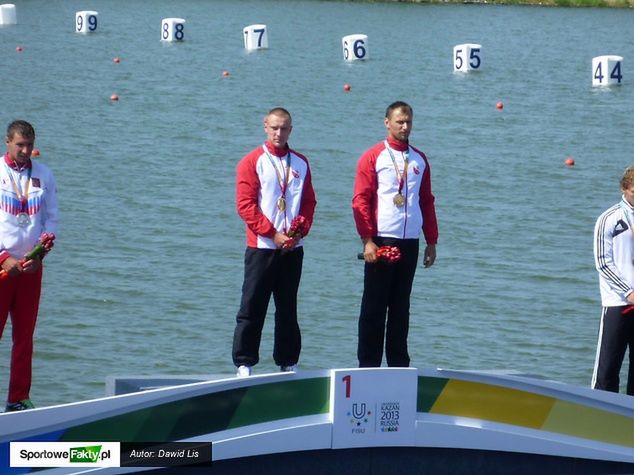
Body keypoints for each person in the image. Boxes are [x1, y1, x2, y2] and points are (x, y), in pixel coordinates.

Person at [352, 101, 438, 368]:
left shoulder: (419, 159)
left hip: (410, 241)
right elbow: (360, 200)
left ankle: (399, 364)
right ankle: (368, 365)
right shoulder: (373, 156)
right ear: (387, 122)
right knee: (374, 308)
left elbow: (426, 201)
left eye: (408, 122)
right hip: (381, 240)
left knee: (401, 307)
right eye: (399, 121)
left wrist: (431, 241)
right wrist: (367, 240)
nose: (404, 126)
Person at [232, 107, 317, 377]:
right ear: (265, 127)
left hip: (292, 248)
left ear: (291, 129)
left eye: (285, 128)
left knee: (288, 307)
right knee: (252, 305)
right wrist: (273, 233)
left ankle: (287, 360)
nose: (279, 133)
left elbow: (308, 202)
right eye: (275, 128)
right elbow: (245, 206)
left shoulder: (301, 163)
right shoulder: (251, 161)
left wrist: (300, 230)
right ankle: (245, 361)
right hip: (262, 247)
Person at [0, 120, 58, 411]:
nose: (25, 150)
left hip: (30, 269)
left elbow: (51, 218)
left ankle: (17, 398)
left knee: (24, 336)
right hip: (2, 266)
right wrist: (3, 257)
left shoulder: (44, 175)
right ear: (7, 142)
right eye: (20, 144)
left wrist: (39, 254)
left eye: (29, 145)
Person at [592, 165, 634, 395]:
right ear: (624, 189)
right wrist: (629, 292)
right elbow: (603, 263)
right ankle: (598, 421)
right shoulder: (608, 219)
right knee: (607, 370)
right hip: (618, 303)